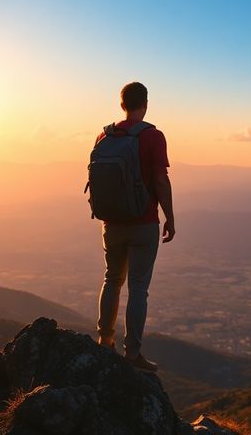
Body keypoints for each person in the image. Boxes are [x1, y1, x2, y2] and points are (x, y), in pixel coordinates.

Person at [94, 81, 175, 373]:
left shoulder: (105, 135)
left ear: (122, 104)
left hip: (111, 223)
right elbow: (160, 180)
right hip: (143, 223)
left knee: (112, 279)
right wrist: (170, 217)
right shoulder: (153, 136)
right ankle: (133, 354)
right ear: (146, 103)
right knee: (138, 287)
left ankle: (104, 341)